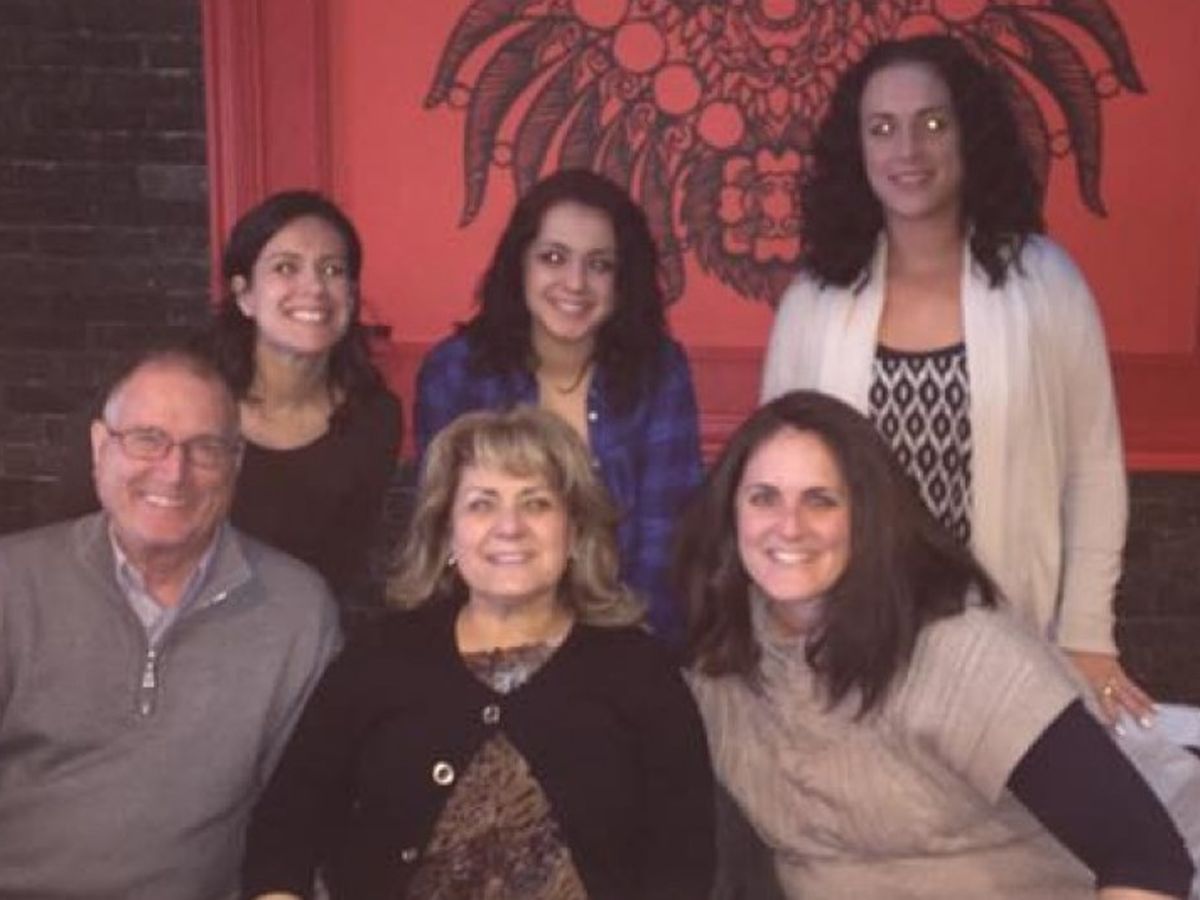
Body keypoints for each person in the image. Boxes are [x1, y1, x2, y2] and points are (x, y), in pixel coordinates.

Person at [759, 35, 1144, 721]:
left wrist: (1088, 636)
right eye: (882, 129)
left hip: (1008, 647)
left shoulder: (1047, 284)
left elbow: (1093, 466)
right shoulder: (812, 303)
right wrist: (784, 631)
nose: (908, 149)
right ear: (857, 150)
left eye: (933, 123)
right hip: (850, 649)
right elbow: (773, 489)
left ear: (972, 136)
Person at [678, 390, 1196, 900]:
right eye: (764, 498)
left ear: (869, 516)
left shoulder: (963, 654)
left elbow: (1147, 858)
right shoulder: (718, 666)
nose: (789, 526)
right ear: (730, 513)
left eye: (821, 500)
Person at [242, 407, 715, 900]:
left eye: (536, 503)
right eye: (482, 504)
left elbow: (685, 859)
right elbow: (285, 823)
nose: (509, 527)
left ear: (574, 532)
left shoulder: (641, 672)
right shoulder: (379, 658)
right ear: (447, 533)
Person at [0, 346, 340, 900]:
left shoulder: (297, 612)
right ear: (99, 447)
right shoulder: (12, 584)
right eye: (147, 439)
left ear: (236, 464)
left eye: (204, 449)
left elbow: (301, 816)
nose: (173, 471)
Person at [415, 169, 702, 645]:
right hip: (490, 632)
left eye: (600, 265)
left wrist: (630, 650)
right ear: (519, 265)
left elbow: (667, 541)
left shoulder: (659, 371)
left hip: (628, 635)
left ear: (623, 280)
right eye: (553, 258)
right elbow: (443, 530)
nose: (575, 282)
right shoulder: (456, 372)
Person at [208, 189, 402, 622]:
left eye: (332, 270)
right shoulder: (181, 396)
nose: (314, 288)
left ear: (351, 295)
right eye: (285, 268)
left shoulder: (374, 418)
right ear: (244, 294)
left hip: (297, 634)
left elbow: (339, 576)